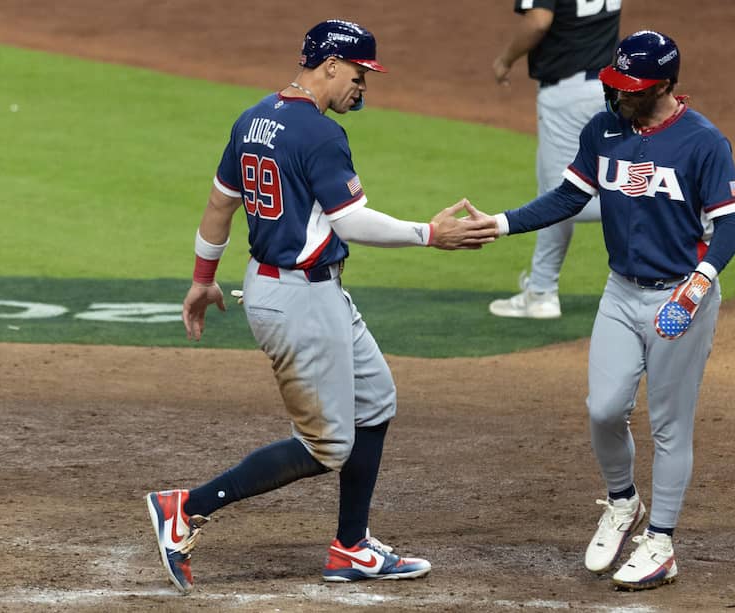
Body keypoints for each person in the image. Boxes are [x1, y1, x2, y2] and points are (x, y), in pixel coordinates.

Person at [144, 19, 497, 593]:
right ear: (330, 64)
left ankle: (351, 548)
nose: (363, 87)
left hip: (297, 288)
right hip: (297, 298)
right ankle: (187, 508)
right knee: (327, 445)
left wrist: (203, 278)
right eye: (359, 75)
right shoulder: (319, 133)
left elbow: (218, 204)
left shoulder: (253, 118)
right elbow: (349, 219)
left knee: (375, 399)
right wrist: (430, 234)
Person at [477, 30, 735, 589]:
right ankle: (623, 503)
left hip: (681, 296)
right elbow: (569, 196)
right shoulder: (603, 130)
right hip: (621, 293)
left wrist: (697, 287)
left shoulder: (703, 141)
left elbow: (731, 223)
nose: (619, 96)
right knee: (603, 409)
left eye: (633, 89)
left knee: (670, 426)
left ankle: (663, 542)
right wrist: (500, 224)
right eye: (616, 84)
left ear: (666, 86)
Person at [488, 0, 623, 319]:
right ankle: (542, 290)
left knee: (561, 197)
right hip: (610, 87)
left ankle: (665, 206)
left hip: (567, 95)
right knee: (553, 187)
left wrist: (505, 59)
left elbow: (538, 21)